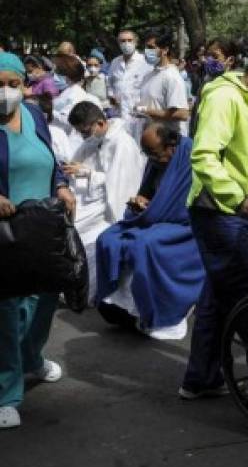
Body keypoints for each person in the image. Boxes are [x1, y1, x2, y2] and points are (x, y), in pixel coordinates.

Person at [180, 38, 248, 400]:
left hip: (239, 210)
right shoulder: (223, 97)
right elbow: (204, 155)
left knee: (217, 297)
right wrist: (236, 195)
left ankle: (201, 378)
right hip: (218, 210)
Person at [0, 51, 75, 429]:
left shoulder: (32, 115)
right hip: (5, 233)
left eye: (13, 84)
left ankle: (32, 357)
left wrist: (62, 186)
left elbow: (52, 160)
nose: (6, 92)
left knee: (45, 296)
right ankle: (7, 392)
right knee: (8, 310)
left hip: (42, 226)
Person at [95, 123, 204, 340]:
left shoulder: (191, 157)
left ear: (171, 145)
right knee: (107, 238)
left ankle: (160, 312)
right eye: (147, 154)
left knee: (144, 245)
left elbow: (187, 204)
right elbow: (151, 193)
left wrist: (153, 209)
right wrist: (141, 202)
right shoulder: (156, 161)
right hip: (154, 218)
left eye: (154, 153)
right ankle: (117, 304)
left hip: (184, 224)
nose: (151, 159)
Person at [64, 101, 145, 302]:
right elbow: (82, 162)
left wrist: (86, 172)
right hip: (88, 196)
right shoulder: (93, 140)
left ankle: (85, 289)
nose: (84, 136)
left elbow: (120, 185)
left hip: (109, 205)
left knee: (81, 234)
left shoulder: (122, 144)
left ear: (100, 122)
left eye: (85, 131)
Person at [135, 27, 190, 138]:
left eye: (151, 47)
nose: (146, 51)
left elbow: (183, 114)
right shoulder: (149, 75)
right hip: (152, 138)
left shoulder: (172, 77)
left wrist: (147, 111)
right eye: (146, 47)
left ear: (165, 50)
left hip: (169, 143)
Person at [50, 54, 104, 154]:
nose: (54, 76)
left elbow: (68, 119)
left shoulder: (76, 94)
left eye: (57, 72)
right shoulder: (65, 92)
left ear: (68, 75)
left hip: (71, 145)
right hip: (59, 141)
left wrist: (49, 110)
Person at [107, 29, 152, 139]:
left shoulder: (145, 62)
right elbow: (109, 84)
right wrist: (112, 96)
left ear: (136, 42)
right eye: (123, 41)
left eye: (129, 40)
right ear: (118, 43)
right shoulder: (115, 62)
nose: (126, 44)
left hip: (139, 117)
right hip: (119, 116)